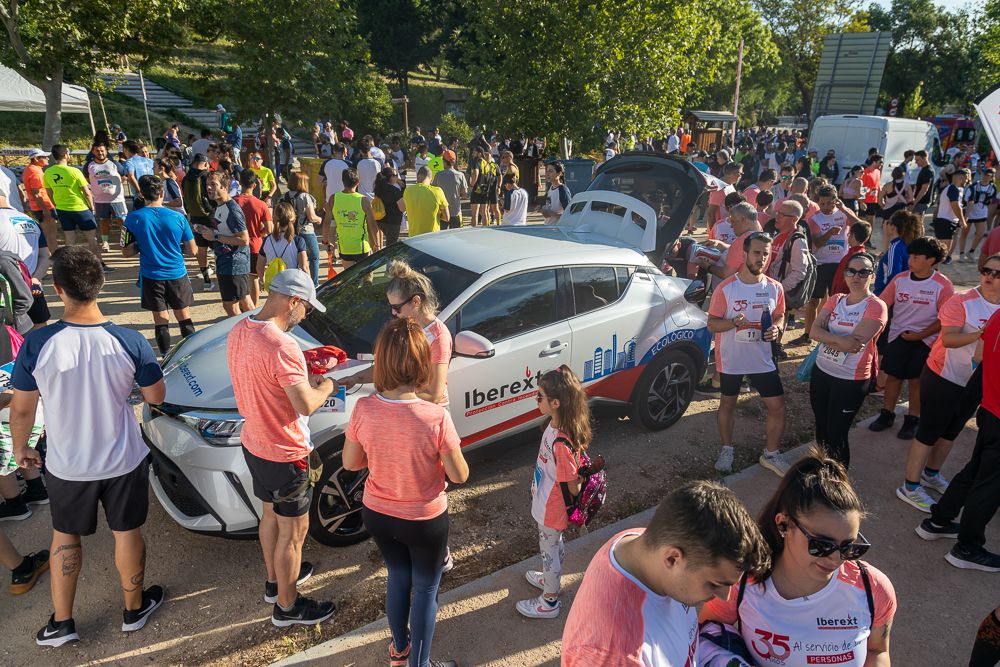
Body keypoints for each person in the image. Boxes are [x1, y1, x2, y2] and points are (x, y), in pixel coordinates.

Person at [10, 246, 166, 646]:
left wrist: (21, 449)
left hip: (66, 465)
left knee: (64, 536)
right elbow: (156, 397)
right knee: (127, 532)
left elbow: (23, 410)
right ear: (100, 285)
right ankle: (133, 610)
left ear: (57, 288)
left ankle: (62, 623)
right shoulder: (130, 340)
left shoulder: (37, 344)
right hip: (122, 459)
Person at [343, 317, 469, 667]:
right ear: (421, 365)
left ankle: (400, 651)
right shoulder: (434, 416)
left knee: (398, 577)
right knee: (426, 589)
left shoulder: (364, 408)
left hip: (378, 514)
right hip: (423, 518)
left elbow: (351, 463)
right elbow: (460, 475)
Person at [700, 454, 896, 667]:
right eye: (822, 545)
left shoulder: (873, 588)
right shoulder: (741, 581)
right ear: (783, 524)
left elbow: (877, 649)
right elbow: (709, 636)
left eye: (849, 548)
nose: (836, 558)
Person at [227, 269, 337, 627]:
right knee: (294, 535)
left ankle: (274, 583)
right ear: (293, 302)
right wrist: (327, 386)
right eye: (305, 308)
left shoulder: (240, 328)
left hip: (254, 443)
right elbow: (305, 404)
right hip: (287, 453)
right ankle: (288, 608)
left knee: (269, 515)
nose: (305, 316)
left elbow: (264, 380)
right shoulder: (282, 345)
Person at [562, 480, 769, 665]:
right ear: (672, 559)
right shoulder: (614, 652)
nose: (725, 597)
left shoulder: (643, 544)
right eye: (715, 584)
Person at [897, 255, 1000, 513]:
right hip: (943, 376)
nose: (989, 276)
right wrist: (982, 333)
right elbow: (950, 339)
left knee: (951, 431)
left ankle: (931, 474)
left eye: (997, 273)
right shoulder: (963, 301)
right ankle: (909, 486)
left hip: (974, 382)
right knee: (928, 432)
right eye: (985, 270)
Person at [915, 298, 1000, 572]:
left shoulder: (998, 314)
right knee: (989, 484)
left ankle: (939, 520)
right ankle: (967, 547)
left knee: (975, 470)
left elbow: (980, 357)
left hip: (990, 407)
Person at [708, 232, 789, 475]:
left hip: (762, 358)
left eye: (766, 254)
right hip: (732, 358)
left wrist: (778, 328)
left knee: (777, 407)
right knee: (728, 404)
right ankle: (726, 449)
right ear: (744, 255)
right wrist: (733, 322)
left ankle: (771, 454)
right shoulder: (726, 288)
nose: (762, 258)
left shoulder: (775, 288)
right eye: (757, 253)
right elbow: (712, 323)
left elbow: (780, 316)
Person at [514, 366, 591, 619]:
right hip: (545, 500)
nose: (536, 400)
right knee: (552, 547)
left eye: (540, 397)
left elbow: (572, 485)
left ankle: (549, 601)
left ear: (555, 403)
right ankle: (551, 576)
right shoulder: (555, 426)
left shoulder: (561, 443)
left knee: (549, 549)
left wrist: (578, 479)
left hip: (552, 508)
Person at [808, 253, 887, 467]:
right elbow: (813, 332)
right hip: (822, 372)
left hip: (850, 380)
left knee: (837, 435)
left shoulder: (876, 306)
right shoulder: (836, 300)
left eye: (864, 272)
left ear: (872, 276)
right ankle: (822, 471)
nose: (857, 276)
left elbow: (853, 346)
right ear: (845, 274)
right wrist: (839, 340)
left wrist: (828, 337)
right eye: (852, 271)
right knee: (822, 428)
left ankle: (839, 482)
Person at [869, 237, 952, 439]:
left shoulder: (943, 285)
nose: (910, 259)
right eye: (910, 255)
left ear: (931, 260)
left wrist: (921, 335)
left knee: (916, 382)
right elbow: (881, 304)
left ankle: (912, 419)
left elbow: (946, 319)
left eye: (916, 256)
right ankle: (887, 414)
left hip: (926, 341)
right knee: (893, 376)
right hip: (899, 338)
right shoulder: (900, 279)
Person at [121, 175, 197, 355]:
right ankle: (191, 355)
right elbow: (192, 250)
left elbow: (126, 252)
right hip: (177, 273)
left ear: (141, 194)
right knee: (184, 317)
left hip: (151, 276)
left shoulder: (132, 219)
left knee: (161, 319)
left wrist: (144, 244)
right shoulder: (178, 217)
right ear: (162, 193)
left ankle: (164, 358)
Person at [802, 186, 863, 341]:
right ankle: (807, 334)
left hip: (840, 264)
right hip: (821, 264)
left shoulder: (843, 213)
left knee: (839, 300)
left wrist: (844, 209)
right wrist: (829, 233)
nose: (826, 207)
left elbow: (863, 228)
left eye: (829, 203)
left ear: (835, 201)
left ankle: (835, 332)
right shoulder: (814, 218)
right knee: (814, 301)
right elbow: (816, 242)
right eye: (822, 204)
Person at [198, 172, 252, 316]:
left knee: (235, 304)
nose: (209, 188)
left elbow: (244, 239)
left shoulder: (232, 210)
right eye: (207, 185)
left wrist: (215, 235)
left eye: (213, 184)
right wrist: (207, 231)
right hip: (225, 262)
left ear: (225, 186)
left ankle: (250, 334)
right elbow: (225, 232)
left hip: (234, 264)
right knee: (235, 303)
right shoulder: (219, 207)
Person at [233, 170, 272, 306]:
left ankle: (240, 308)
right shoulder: (261, 204)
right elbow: (269, 228)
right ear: (254, 185)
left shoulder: (233, 202)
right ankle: (253, 308)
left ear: (240, 183)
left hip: (235, 245)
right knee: (253, 279)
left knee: (238, 279)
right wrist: (259, 233)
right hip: (255, 245)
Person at [324, 168, 376, 270]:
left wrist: (326, 241)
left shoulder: (333, 198)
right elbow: (373, 225)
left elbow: (326, 223)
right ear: (358, 182)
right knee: (367, 279)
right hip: (362, 248)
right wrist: (377, 245)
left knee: (350, 280)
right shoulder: (363, 200)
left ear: (342, 181)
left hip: (345, 249)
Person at [85, 141, 125, 262]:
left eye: (102, 150)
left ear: (106, 151)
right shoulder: (89, 166)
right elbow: (87, 179)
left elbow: (124, 176)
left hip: (116, 199)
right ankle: (105, 242)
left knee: (122, 220)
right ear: (93, 152)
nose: (100, 153)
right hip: (100, 200)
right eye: (97, 151)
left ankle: (124, 242)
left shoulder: (114, 163)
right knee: (104, 221)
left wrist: (114, 188)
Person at [280, 172, 322, 284]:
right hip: (305, 231)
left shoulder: (285, 196)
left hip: (290, 232)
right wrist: (320, 219)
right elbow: (311, 217)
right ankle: (314, 283)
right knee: (314, 256)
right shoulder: (305, 197)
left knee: (294, 259)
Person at [182, 153, 215, 290]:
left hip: (195, 218)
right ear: (205, 163)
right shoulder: (206, 176)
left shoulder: (185, 178)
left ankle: (207, 281)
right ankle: (222, 278)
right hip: (210, 217)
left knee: (201, 251)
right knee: (218, 249)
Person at [874, 210, 923, 296]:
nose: (885, 224)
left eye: (888, 222)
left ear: (893, 227)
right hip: (906, 294)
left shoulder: (896, 247)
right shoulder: (908, 244)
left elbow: (893, 277)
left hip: (886, 295)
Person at [258, 202, 308, 281]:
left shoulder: (267, 240)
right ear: (293, 218)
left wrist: (261, 280)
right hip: (291, 284)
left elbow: (259, 267)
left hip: (273, 285)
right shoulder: (298, 241)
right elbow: (304, 268)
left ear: (274, 218)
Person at [21, 149, 58, 251]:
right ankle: (55, 258)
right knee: (51, 235)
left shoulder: (30, 168)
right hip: (44, 207)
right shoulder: (35, 172)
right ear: (37, 159)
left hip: (40, 206)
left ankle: (52, 257)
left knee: (49, 234)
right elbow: (36, 193)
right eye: (44, 157)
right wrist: (45, 210)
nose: (47, 158)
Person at [959, 167, 997, 262]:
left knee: (980, 234)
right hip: (970, 212)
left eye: (988, 175)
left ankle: (971, 251)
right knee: (964, 234)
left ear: (992, 177)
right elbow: (967, 200)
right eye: (984, 174)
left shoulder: (993, 187)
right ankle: (961, 253)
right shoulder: (973, 186)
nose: (985, 177)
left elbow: (992, 200)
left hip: (982, 212)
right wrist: (966, 215)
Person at [933, 168, 969, 265]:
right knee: (941, 251)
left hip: (946, 222)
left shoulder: (954, 189)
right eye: (966, 179)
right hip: (945, 222)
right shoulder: (953, 189)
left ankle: (935, 269)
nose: (967, 181)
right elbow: (955, 206)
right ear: (960, 178)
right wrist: (962, 220)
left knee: (943, 251)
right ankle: (934, 269)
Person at [403, 167, 449, 238]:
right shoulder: (437, 191)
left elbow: (403, 208)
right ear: (431, 179)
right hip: (432, 237)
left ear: (417, 177)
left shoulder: (407, 191)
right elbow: (447, 217)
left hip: (413, 237)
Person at [432, 150, 467, 230]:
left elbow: (433, 192)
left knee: (441, 237)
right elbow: (465, 195)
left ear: (443, 161)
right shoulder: (460, 175)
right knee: (456, 237)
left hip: (441, 212)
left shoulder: (438, 175)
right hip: (456, 211)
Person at [373, 166, 406, 245]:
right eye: (395, 175)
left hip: (380, 220)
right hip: (393, 222)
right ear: (391, 177)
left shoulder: (379, 189)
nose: (397, 178)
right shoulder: (395, 191)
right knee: (391, 245)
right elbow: (402, 208)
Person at [469, 148, 499, 226]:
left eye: (474, 153)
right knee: (484, 212)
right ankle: (485, 229)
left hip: (477, 190)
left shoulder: (477, 162)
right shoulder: (487, 164)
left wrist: (471, 185)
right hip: (486, 191)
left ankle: (473, 231)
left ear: (479, 153)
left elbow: (475, 173)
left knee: (475, 213)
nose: (473, 154)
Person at [122, 140, 154, 205]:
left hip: (141, 196)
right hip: (154, 192)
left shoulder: (129, 162)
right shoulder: (149, 160)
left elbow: (131, 176)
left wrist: (139, 191)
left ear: (126, 149)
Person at [861, 155, 883, 224]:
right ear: (874, 162)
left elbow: (878, 185)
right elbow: (862, 188)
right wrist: (861, 202)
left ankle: (870, 235)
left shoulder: (878, 172)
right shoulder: (865, 173)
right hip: (865, 201)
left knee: (871, 221)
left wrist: (880, 198)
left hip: (874, 201)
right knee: (862, 222)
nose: (881, 164)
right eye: (880, 162)